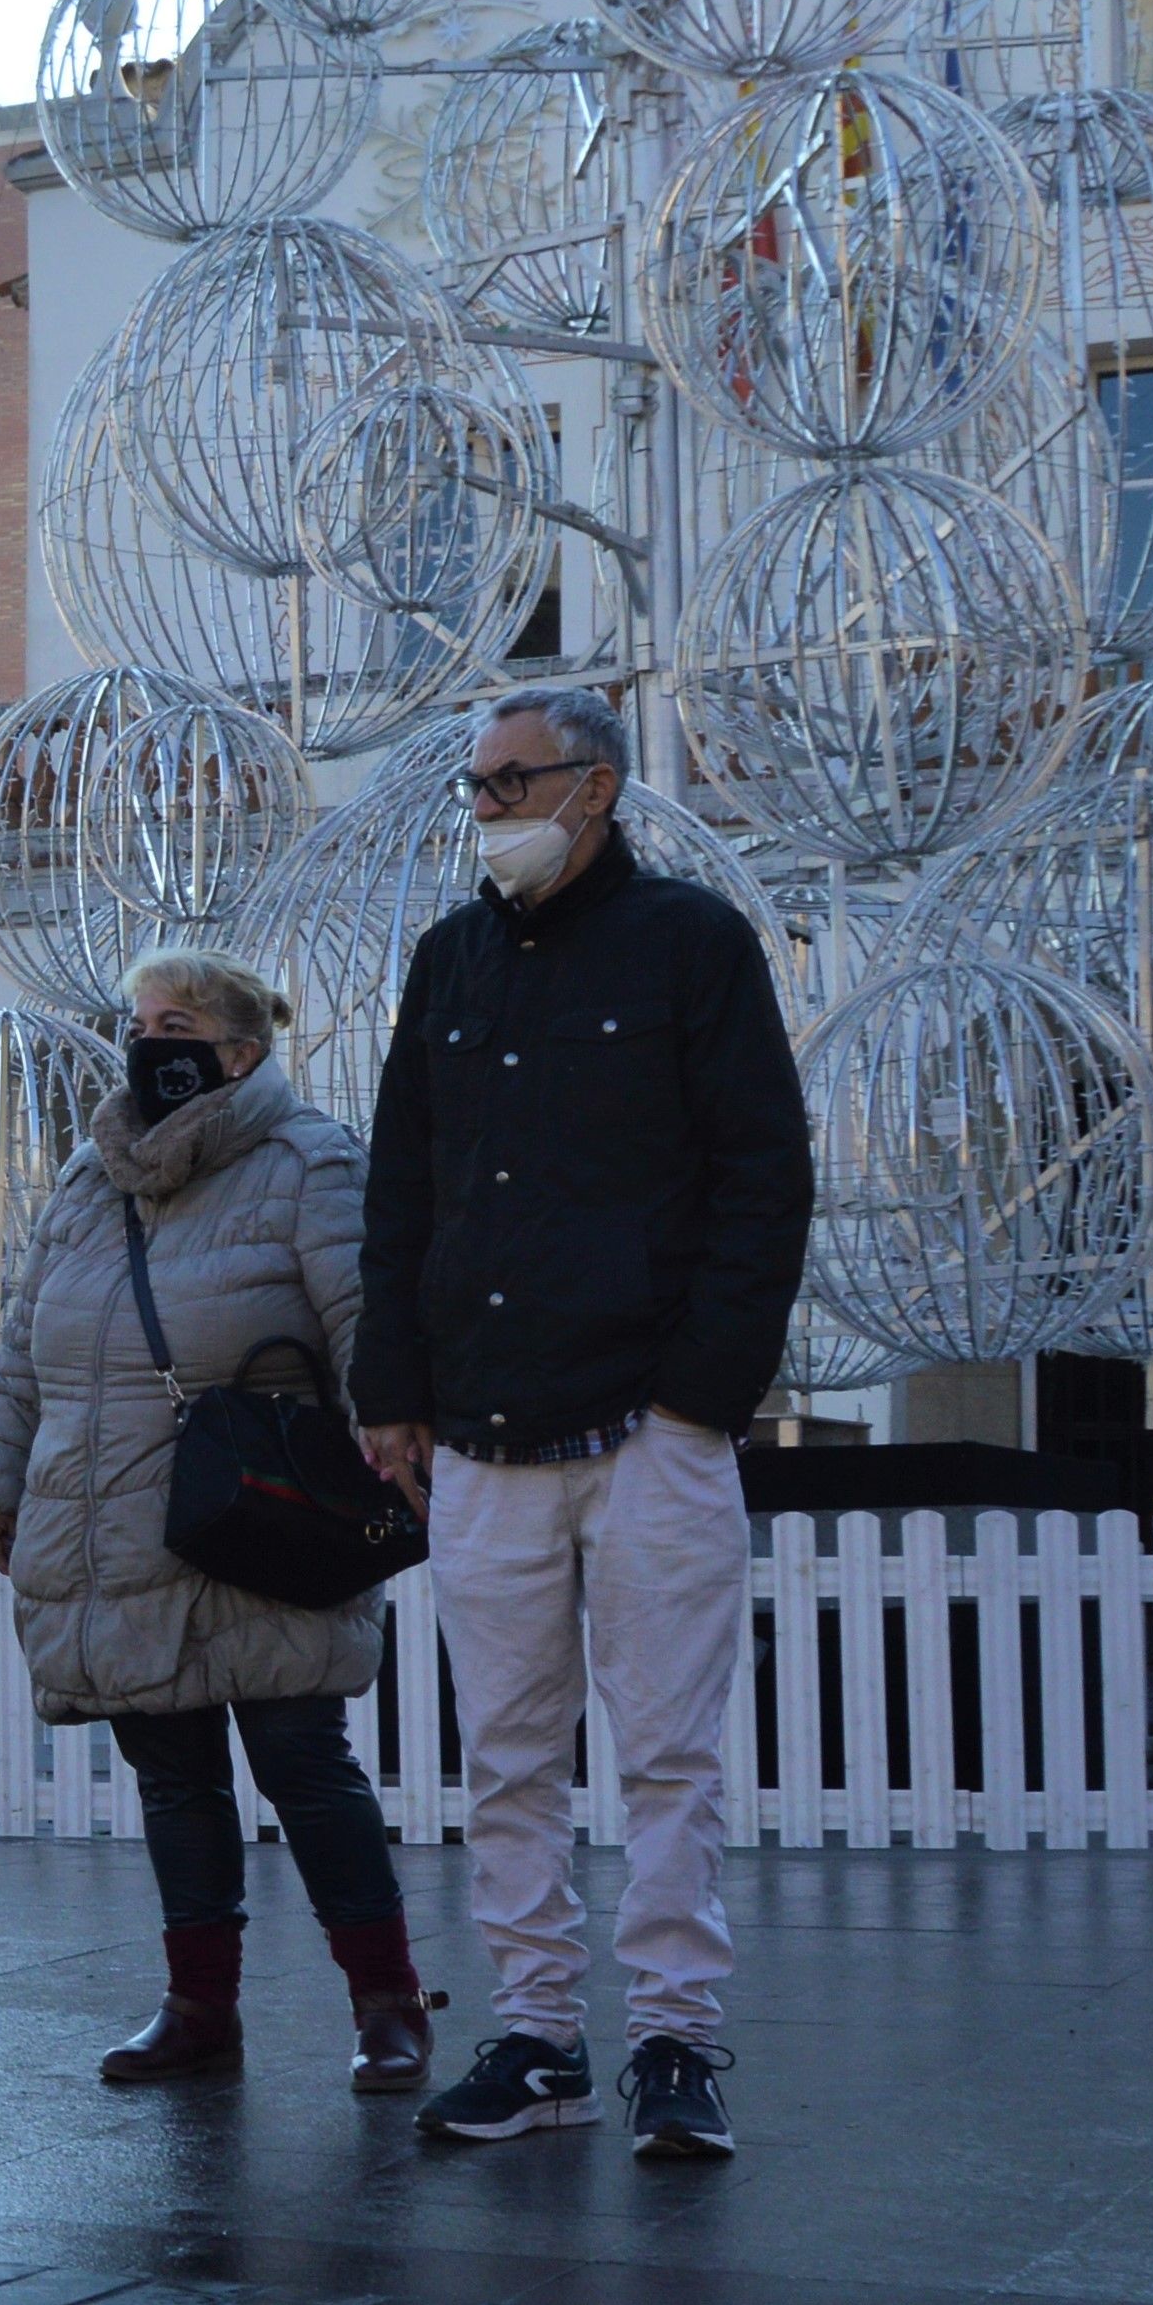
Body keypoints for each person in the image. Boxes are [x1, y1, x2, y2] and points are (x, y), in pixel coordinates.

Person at [353, 685, 812, 2164]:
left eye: (507, 783)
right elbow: (401, 1191)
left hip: (649, 1431)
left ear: (594, 788)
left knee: (670, 1756)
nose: (483, 809)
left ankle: (675, 2044)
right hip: (480, 1434)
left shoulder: (693, 944)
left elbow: (763, 1178)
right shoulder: (450, 960)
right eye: (474, 789)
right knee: (507, 1758)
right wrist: (391, 1390)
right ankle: (540, 2040)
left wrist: (699, 1399)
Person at [0, 954, 440, 2092]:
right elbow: (20, 1356)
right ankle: (197, 2009)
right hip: (108, 1521)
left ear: (238, 1048)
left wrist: (395, 1436)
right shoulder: (88, 1181)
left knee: (301, 1762)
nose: (145, 1041)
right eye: (137, 1023)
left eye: (174, 1023)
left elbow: (368, 1316)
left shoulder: (307, 1159)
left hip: (261, 1514)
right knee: (171, 1776)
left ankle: (387, 2001)